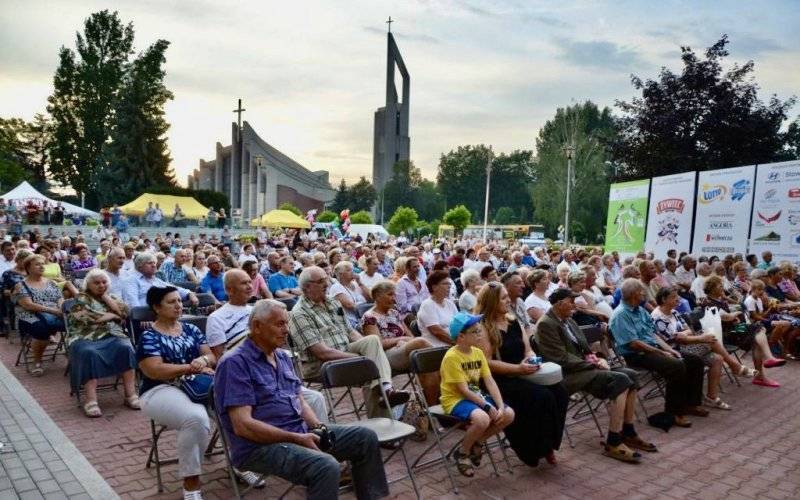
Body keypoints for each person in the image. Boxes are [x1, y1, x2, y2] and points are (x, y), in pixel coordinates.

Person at [215, 299, 389, 499]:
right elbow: (243, 426)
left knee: (364, 437)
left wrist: (318, 427)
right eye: (280, 324)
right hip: (259, 447)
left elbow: (298, 398)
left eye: (287, 323)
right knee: (325, 466)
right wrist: (296, 438)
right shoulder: (234, 363)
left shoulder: (280, 356)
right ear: (257, 326)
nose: (287, 330)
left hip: (298, 432)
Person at [536, 288, 654, 463]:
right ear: (559, 303)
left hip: (585, 368)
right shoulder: (546, 324)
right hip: (568, 375)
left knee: (631, 375)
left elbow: (584, 349)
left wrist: (597, 358)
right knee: (620, 380)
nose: (574, 306)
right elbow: (560, 358)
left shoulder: (569, 320)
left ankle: (628, 431)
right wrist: (594, 363)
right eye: (571, 302)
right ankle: (613, 441)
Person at [288, 266, 410, 417]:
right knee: (370, 370)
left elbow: (350, 332)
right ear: (307, 287)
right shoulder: (299, 313)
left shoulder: (332, 302)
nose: (326, 284)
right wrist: (364, 358)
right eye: (320, 281)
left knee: (372, 341)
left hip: (346, 350)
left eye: (326, 279)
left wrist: (372, 349)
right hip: (321, 365)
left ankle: (386, 389)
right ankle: (385, 421)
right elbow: (322, 352)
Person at [474, 282, 568, 467]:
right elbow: (487, 363)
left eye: (507, 296)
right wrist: (518, 369)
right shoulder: (482, 326)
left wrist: (531, 359)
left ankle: (547, 443)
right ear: (492, 301)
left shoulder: (512, 320)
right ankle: (532, 449)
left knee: (560, 393)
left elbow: (527, 349)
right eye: (503, 298)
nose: (509, 300)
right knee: (542, 397)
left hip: (523, 373)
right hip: (499, 380)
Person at [136, 286, 216, 500]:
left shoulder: (192, 329)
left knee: (236, 405)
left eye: (179, 301)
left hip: (196, 385)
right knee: (196, 418)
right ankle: (191, 485)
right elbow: (154, 370)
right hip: (159, 389)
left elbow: (211, 356)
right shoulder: (149, 336)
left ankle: (241, 461)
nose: (179, 305)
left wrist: (204, 360)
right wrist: (191, 366)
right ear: (156, 307)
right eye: (172, 302)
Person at [610, 279, 707, 427]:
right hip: (637, 355)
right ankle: (674, 413)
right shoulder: (621, 314)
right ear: (635, 294)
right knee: (676, 365)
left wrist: (670, 350)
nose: (645, 294)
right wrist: (661, 353)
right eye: (642, 292)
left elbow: (653, 335)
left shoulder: (640, 310)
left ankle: (690, 404)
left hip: (652, 349)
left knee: (694, 361)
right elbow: (634, 343)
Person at [439, 312, 515, 477]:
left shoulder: (477, 352)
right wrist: (487, 406)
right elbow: (463, 390)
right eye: (475, 331)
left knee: (508, 414)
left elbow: (489, 381)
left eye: (480, 330)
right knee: (482, 419)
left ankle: (478, 442)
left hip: (475, 396)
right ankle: (463, 452)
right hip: (455, 399)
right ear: (461, 336)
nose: (480, 334)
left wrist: (500, 405)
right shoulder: (451, 357)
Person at [652, 288, 752, 410]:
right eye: (674, 297)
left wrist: (686, 334)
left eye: (677, 296)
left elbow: (687, 329)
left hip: (687, 344)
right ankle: (735, 366)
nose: (678, 299)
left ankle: (711, 397)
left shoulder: (674, 312)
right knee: (711, 340)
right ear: (664, 299)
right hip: (674, 350)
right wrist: (699, 338)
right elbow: (676, 340)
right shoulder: (658, 317)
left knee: (718, 359)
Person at [67, 269, 139, 418]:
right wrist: (113, 315)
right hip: (84, 337)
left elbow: (125, 313)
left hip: (111, 335)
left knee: (126, 347)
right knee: (89, 353)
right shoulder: (80, 298)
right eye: (97, 282)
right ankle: (91, 400)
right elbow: (87, 317)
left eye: (104, 282)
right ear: (88, 284)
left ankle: (130, 395)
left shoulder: (111, 297)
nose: (101, 285)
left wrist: (107, 300)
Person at [361, 281, 437, 403]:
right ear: (377, 297)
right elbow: (376, 344)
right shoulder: (369, 317)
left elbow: (409, 335)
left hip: (403, 350)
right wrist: (400, 340)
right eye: (390, 294)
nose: (394, 298)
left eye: (394, 294)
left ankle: (431, 406)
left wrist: (407, 341)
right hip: (385, 357)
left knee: (428, 366)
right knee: (422, 345)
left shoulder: (394, 312)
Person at [12, 255, 65, 376]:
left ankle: (75, 357)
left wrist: (61, 307)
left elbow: (59, 298)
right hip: (29, 316)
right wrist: (53, 311)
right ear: (28, 268)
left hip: (53, 314)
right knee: (41, 329)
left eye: (43, 264)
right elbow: (28, 305)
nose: (42, 266)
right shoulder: (20, 285)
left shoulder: (51, 282)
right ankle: (37, 361)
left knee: (72, 324)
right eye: (37, 264)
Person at [122, 253, 198, 307]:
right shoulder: (131, 280)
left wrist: (189, 293)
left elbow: (172, 289)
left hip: (160, 316)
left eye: (154, 263)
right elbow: (132, 302)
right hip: (142, 320)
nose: (154, 265)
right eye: (149, 263)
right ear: (139, 266)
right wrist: (142, 315)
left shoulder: (156, 280)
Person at [416, 271, 458, 347]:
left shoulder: (450, 304)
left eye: (449, 284)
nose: (449, 287)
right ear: (434, 287)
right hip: (437, 349)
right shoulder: (427, 305)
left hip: (454, 346)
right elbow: (437, 332)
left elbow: (459, 324)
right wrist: (458, 343)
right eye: (445, 284)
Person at [328, 261, 370, 329]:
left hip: (365, 316)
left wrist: (360, 283)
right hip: (352, 322)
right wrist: (370, 308)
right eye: (348, 270)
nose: (352, 272)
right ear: (340, 274)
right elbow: (350, 306)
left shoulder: (356, 284)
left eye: (352, 269)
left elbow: (370, 298)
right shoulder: (336, 287)